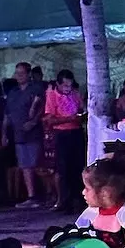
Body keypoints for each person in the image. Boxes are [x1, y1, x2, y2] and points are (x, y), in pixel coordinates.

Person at [2, 62, 44, 206]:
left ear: (28, 74)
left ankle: (46, 194)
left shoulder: (37, 89)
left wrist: (33, 121)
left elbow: (43, 107)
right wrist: (4, 133)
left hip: (34, 134)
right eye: (17, 73)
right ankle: (31, 196)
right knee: (24, 165)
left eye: (21, 73)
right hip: (18, 134)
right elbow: (7, 114)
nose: (19, 76)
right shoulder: (13, 92)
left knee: (37, 164)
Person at [44, 70, 85, 212]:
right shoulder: (51, 95)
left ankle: (78, 199)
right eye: (65, 86)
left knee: (78, 166)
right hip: (61, 133)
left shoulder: (75, 94)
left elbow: (81, 109)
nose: (68, 89)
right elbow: (50, 119)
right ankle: (65, 201)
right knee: (63, 168)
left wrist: (80, 116)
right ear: (58, 84)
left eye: (70, 85)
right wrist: (69, 118)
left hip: (76, 132)